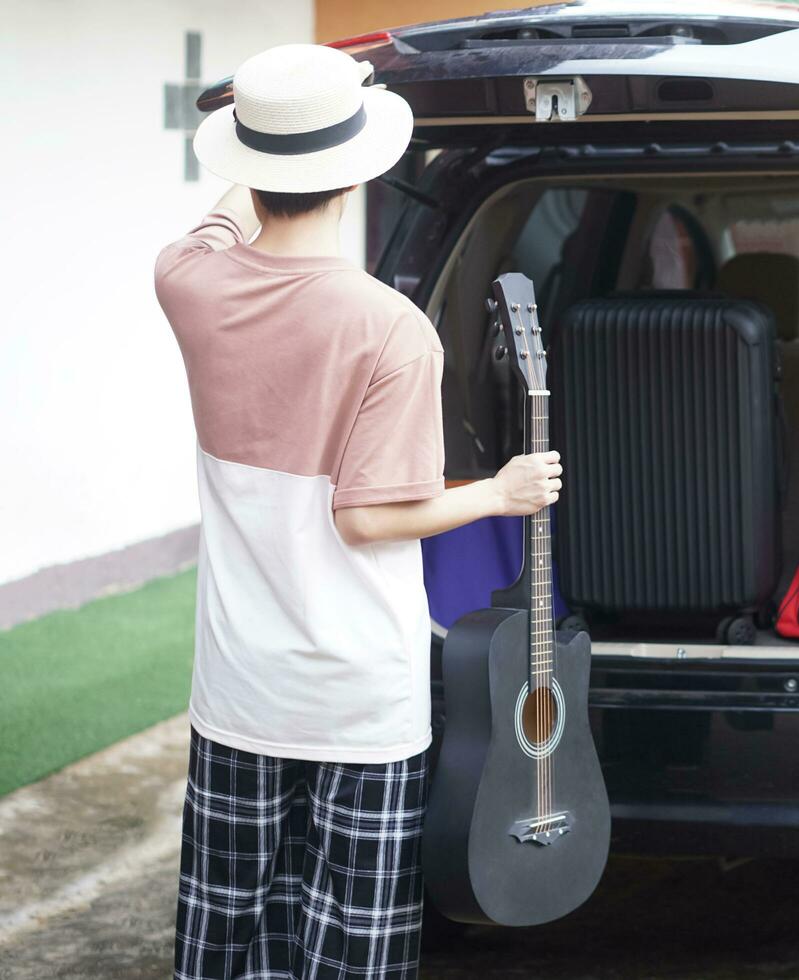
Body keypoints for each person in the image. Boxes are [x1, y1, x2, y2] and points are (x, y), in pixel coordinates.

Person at [154, 43, 560, 980]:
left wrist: (257, 133)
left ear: (250, 172)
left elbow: (213, 226)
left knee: (227, 937)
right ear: (356, 178)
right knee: (350, 945)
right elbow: (369, 519)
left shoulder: (188, 284)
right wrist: (499, 492)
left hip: (240, 692)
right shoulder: (389, 328)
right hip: (357, 704)